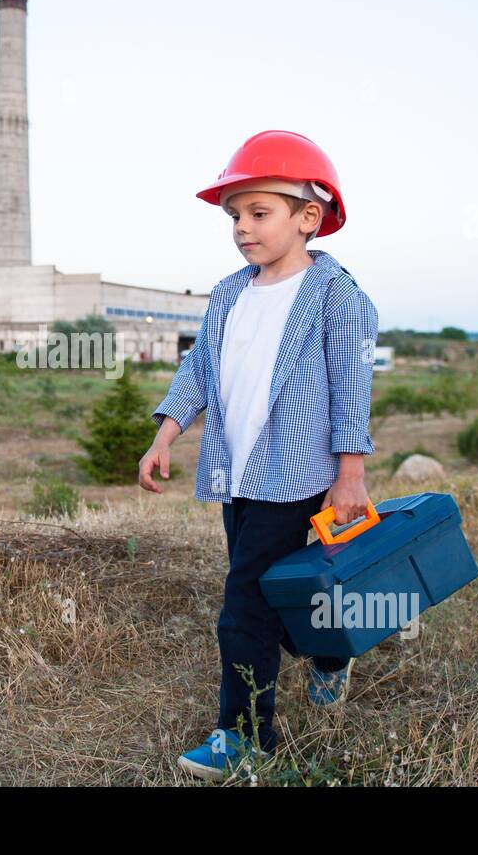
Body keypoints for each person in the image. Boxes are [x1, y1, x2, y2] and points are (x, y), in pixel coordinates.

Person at [137, 130, 379, 781]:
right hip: (238, 475)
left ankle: (245, 734)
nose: (242, 227)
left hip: (297, 477)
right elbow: (198, 371)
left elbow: (351, 391)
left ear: (309, 216)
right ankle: (329, 651)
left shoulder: (337, 299)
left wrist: (350, 475)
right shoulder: (228, 294)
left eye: (258, 212)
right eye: (234, 215)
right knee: (275, 597)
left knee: (243, 604)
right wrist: (167, 431)